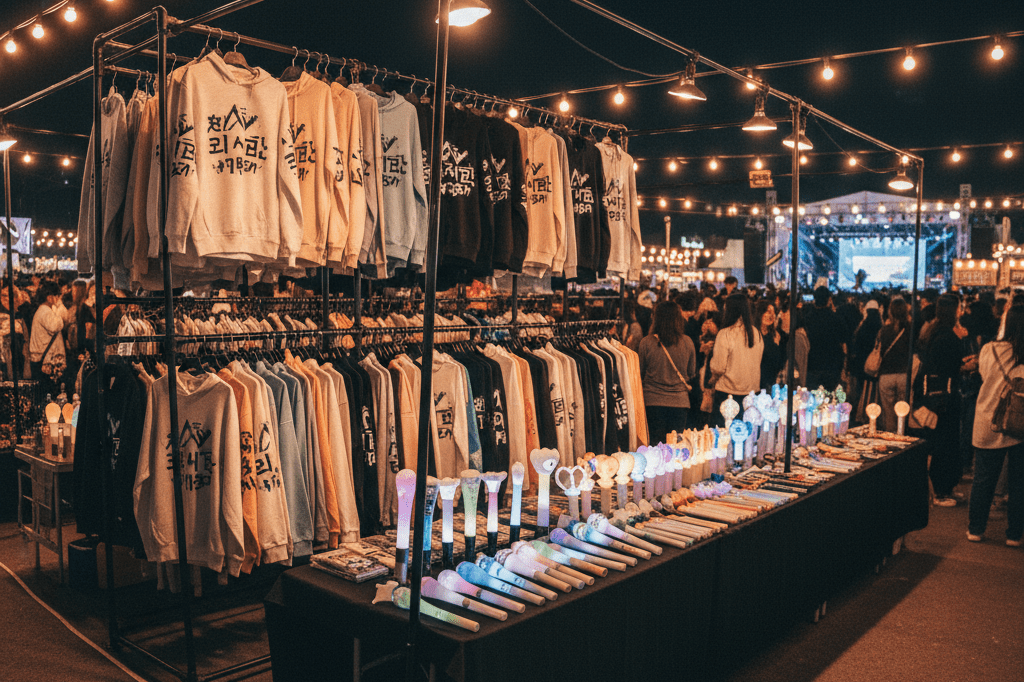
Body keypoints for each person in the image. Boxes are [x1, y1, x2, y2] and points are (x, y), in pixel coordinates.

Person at [967, 303, 1023, 546]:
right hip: (1020, 422)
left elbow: (982, 375)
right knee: (1019, 482)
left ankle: (976, 529)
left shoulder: (989, 349)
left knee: (983, 479)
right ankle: (1014, 535)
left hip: (989, 418)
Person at [917, 295, 969, 506]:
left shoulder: (933, 331)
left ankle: (946, 488)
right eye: (959, 308)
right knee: (945, 443)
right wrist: (966, 365)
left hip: (937, 397)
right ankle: (941, 492)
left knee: (944, 442)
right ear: (953, 310)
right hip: (944, 398)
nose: (961, 312)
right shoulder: (946, 336)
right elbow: (947, 368)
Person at [638, 301, 697, 442]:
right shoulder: (687, 342)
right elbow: (691, 371)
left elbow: (639, 372)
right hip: (679, 402)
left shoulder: (646, 343)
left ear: (656, 318)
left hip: (652, 401)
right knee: (675, 447)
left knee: (655, 445)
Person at [709, 293, 763, 426]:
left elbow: (718, 367)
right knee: (748, 436)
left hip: (727, 393)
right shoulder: (755, 333)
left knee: (724, 435)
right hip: (751, 393)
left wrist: (711, 380)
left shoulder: (725, 334)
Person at [876, 297, 912, 433]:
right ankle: (902, 439)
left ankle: (891, 442)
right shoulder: (910, 330)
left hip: (886, 376)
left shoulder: (884, 330)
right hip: (904, 375)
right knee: (902, 413)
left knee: (888, 415)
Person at [802, 286, 847, 390]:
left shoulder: (807, 319)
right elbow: (843, 339)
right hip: (832, 365)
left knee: (812, 398)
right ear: (829, 299)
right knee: (830, 398)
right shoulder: (836, 319)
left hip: (812, 363)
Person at [29, 281, 67, 397]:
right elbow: (56, 325)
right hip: (45, 362)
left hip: (43, 359)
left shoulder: (43, 311)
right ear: (50, 297)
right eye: (57, 296)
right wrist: (59, 309)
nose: (58, 299)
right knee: (49, 395)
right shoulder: (45, 312)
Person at [849, 298, 883, 418]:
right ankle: (871, 415)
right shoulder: (880, 327)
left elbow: (856, 344)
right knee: (872, 391)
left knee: (862, 389)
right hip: (874, 363)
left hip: (861, 363)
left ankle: (861, 413)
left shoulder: (862, 326)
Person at [756, 300, 783, 389]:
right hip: (754, 383)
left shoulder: (775, 335)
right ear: (760, 313)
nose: (771, 315)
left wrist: (776, 344)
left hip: (770, 383)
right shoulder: (753, 333)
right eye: (768, 312)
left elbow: (778, 362)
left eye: (774, 312)